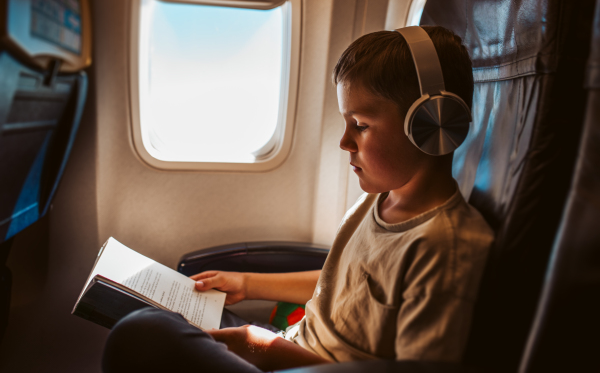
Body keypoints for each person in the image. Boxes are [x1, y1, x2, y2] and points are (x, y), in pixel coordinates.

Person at [102, 26, 494, 372]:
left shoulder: (444, 247)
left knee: (142, 334)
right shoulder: (377, 203)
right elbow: (340, 286)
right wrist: (247, 283)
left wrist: (268, 351)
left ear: (431, 126)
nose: (344, 142)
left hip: (298, 363)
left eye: (360, 126)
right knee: (155, 312)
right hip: (292, 344)